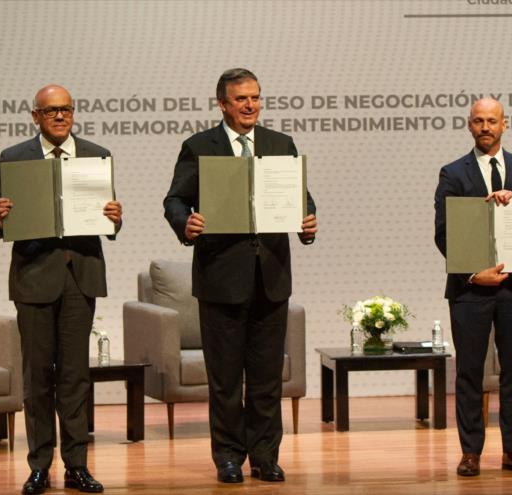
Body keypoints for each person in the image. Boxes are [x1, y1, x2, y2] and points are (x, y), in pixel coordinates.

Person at [163, 68, 317, 484]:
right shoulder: (199, 147)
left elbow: (301, 197)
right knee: (226, 379)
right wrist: (186, 223)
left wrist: (307, 221)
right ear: (222, 104)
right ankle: (228, 457)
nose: (251, 105)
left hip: (271, 278)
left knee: (267, 377)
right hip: (221, 278)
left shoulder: (280, 144)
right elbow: (174, 200)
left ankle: (265, 456)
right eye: (241, 99)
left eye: (256, 97)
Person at [0, 84, 122, 494]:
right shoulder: (14, 158)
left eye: (66, 109)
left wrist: (115, 217)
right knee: (38, 378)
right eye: (50, 111)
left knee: (75, 377)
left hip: (80, 278)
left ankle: (77, 466)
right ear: (36, 116)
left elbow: (108, 223)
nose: (60, 116)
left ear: (74, 112)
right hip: (34, 279)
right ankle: (39, 466)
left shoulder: (97, 155)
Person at [434, 98, 512, 477]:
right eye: (478, 121)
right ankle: (470, 452)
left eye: (492, 121)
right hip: (470, 289)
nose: (485, 127)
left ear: (505, 125)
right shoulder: (453, 173)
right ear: (469, 125)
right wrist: (474, 274)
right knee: (469, 372)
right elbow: (443, 234)